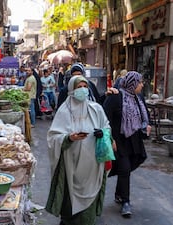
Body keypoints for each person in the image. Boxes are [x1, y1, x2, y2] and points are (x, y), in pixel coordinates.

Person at [46, 76, 111, 225]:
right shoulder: (64, 112)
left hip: (93, 167)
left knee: (88, 215)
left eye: (85, 86)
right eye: (78, 86)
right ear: (71, 90)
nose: (83, 89)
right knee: (70, 206)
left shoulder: (96, 109)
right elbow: (53, 137)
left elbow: (106, 127)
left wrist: (103, 133)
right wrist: (69, 138)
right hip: (72, 166)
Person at [103, 71, 151, 217]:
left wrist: (146, 125)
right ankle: (125, 202)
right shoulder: (116, 97)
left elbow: (145, 115)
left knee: (133, 163)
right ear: (132, 83)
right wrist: (110, 139)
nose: (142, 85)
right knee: (124, 168)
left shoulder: (138, 98)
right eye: (140, 82)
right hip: (119, 140)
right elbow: (104, 118)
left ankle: (119, 193)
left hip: (134, 139)